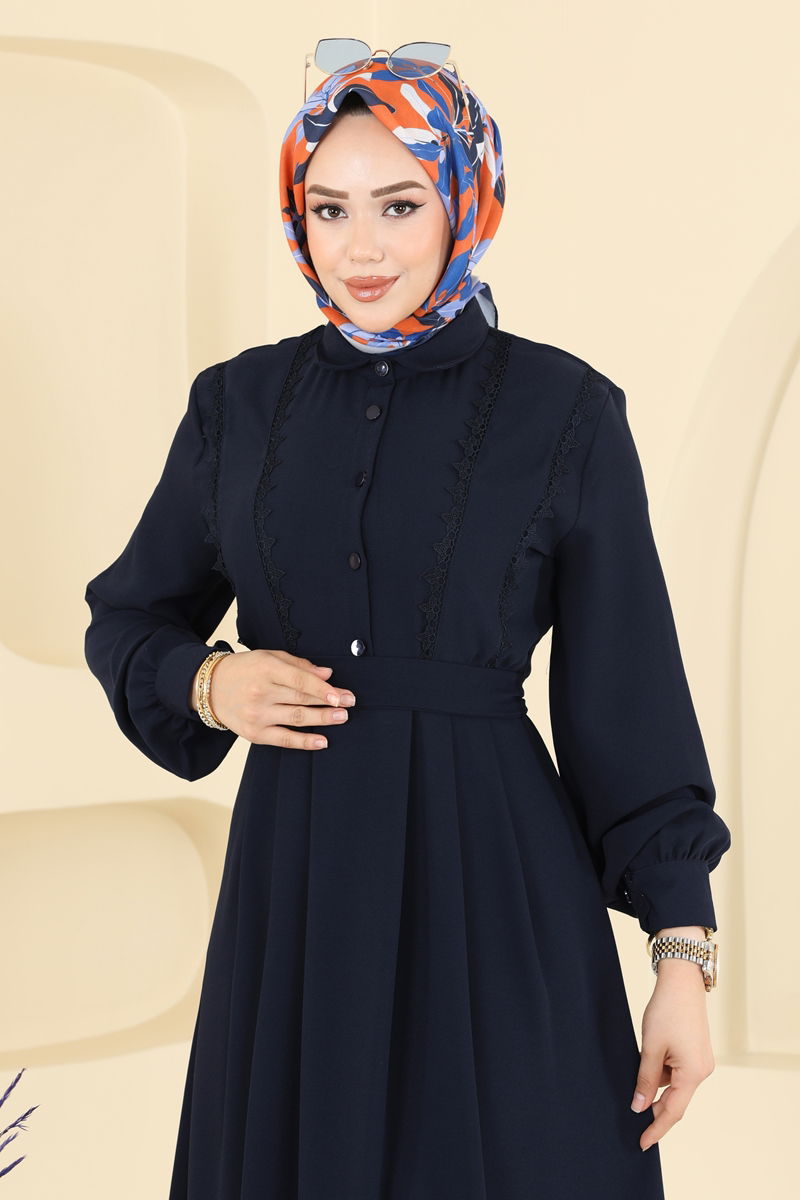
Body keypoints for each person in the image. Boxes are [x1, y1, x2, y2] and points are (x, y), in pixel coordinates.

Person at [83, 42, 732, 1200]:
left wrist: (678, 961)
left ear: (464, 202)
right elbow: (129, 617)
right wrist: (209, 684)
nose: (361, 248)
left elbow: (627, 700)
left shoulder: (564, 411)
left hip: (496, 887)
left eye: (398, 204)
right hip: (298, 894)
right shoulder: (237, 405)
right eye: (329, 209)